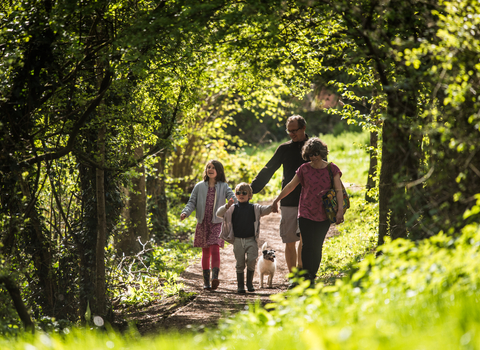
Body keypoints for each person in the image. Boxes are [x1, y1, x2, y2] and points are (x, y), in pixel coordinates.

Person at [272, 137, 344, 287]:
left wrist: (340, 211)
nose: (313, 157)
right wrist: (276, 200)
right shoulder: (304, 169)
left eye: (316, 153)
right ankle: (306, 276)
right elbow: (291, 186)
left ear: (322, 152)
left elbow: (338, 191)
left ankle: (312, 274)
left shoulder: (332, 169)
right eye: (310, 154)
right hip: (305, 211)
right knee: (306, 245)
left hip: (324, 212)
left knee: (317, 245)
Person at [251, 115, 309, 277]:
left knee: (305, 242)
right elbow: (269, 169)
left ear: (304, 128)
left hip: (310, 201)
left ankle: (303, 275)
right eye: (288, 131)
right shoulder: (284, 149)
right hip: (289, 200)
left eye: (294, 130)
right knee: (290, 241)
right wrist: (252, 189)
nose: (291, 134)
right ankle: (294, 278)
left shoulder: (313, 147)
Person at [180, 160, 236, 290]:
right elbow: (191, 202)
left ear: (219, 171)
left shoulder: (224, 186)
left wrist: (237, 203)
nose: (210, 169)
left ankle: (214, 278)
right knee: (205, 252)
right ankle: (206, 282)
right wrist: (185, 212)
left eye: (213, 167)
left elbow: (233, 198)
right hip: (203, 223)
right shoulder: (199, 186)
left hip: (217, 223)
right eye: (208, 167)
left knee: (215, 248)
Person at [216, 183, 273, 294]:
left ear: (250, 196)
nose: (241, 195)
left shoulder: (254, 208)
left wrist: (273, 205)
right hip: (238, 240)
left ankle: (250, 284)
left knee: (252, 260)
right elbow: (218, 214)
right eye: (238, 193)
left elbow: (265, 210)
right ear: (235, 195)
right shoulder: (232, 208)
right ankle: (240, 286)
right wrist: (226, 206)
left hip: (251, 239)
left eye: (244, 193)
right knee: (240, 263)